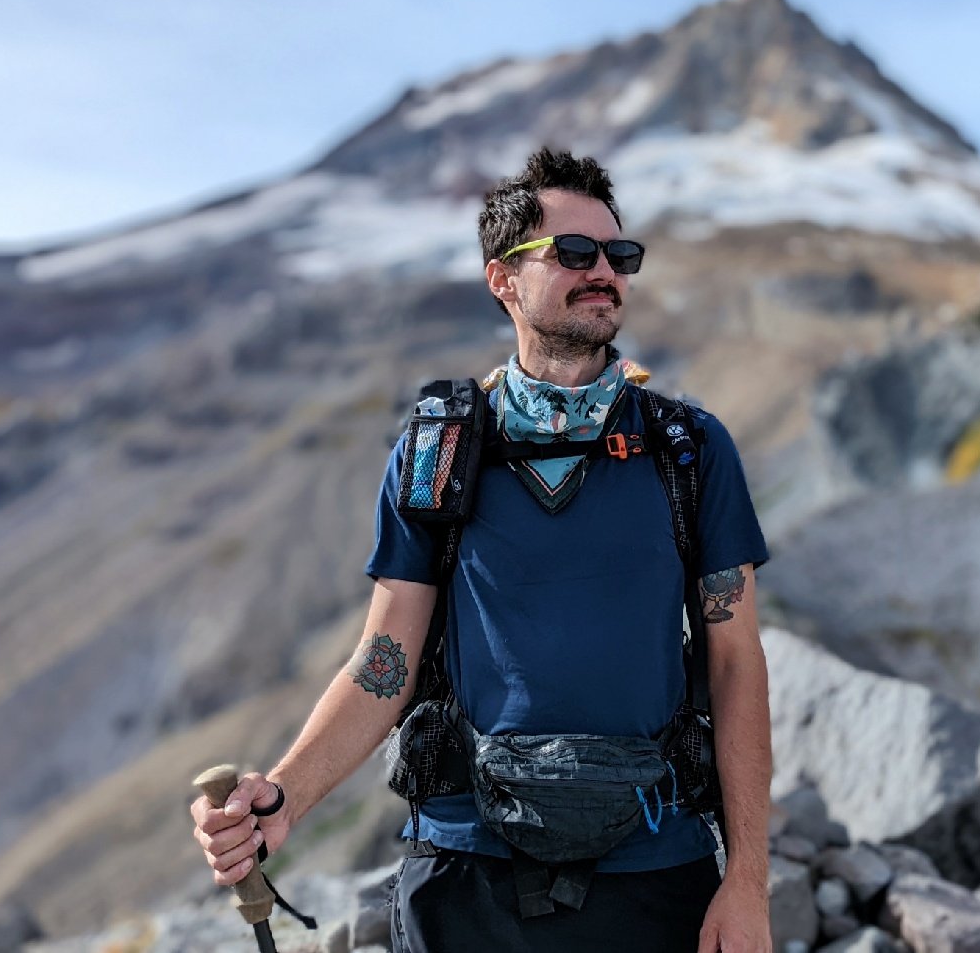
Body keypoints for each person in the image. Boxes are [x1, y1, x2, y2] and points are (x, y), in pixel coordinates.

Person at [189, 147, 773, 952]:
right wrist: (283, 795)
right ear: (503, 278)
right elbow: (387, 656)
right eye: (574, 253)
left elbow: (738, 663)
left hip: (655, 866)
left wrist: (746, 882)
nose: (604, 271)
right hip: (466, 876)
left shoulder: (689, 449)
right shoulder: (439, 452)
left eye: (618, 255)